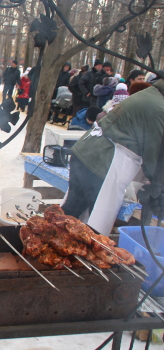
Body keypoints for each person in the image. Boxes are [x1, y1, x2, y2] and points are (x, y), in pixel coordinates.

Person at [62, 79, 164, 236]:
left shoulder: (150, 96)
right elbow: (155, 152)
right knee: (94, 228)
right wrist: (158, 183)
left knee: (70, 213)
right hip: (105, 160)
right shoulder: (158, 107)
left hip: (86, 150)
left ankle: (55, 241)